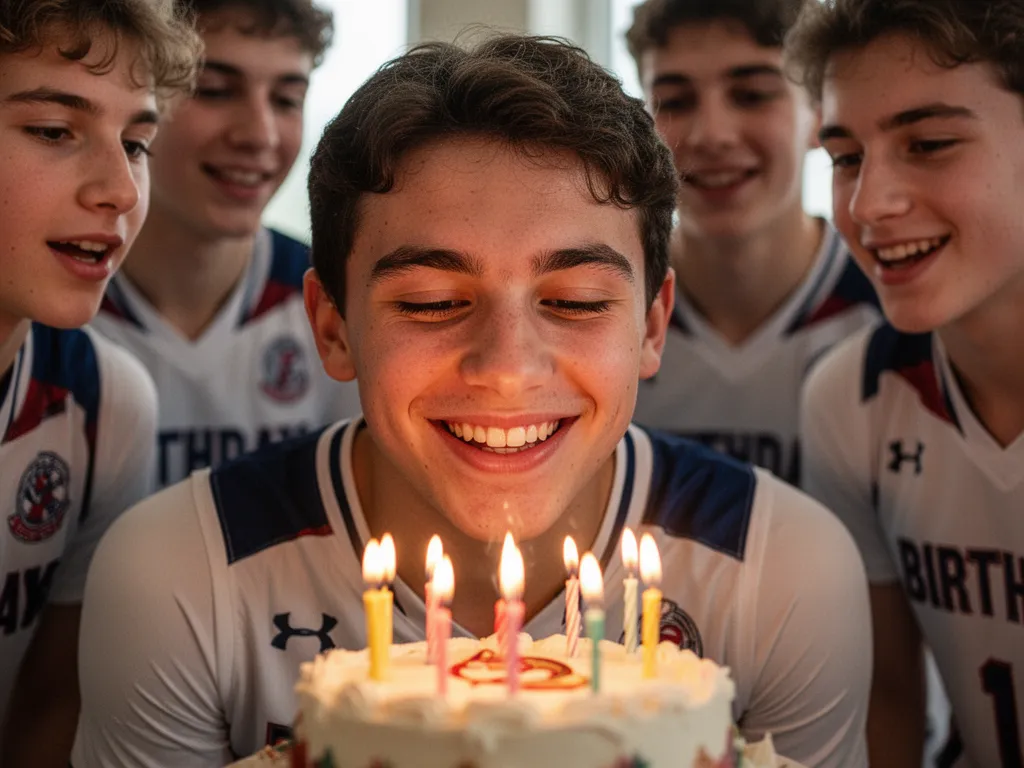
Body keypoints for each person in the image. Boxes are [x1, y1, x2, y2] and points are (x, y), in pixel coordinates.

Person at [71, 34, 870, 768]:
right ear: (333, 327)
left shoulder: (780, 570)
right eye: (428, 302)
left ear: (652, 325)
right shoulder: (183, 572)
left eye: (579, 300)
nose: (507, 369)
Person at [788, 0, 1024, 765]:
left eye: (928, 144)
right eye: (845, 157)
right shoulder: (851, 401)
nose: (868, 206)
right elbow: (889, 698)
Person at [0, 2, 200, 766]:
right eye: (54, 131)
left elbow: (49, 707)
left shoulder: (105, 402)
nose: (119, 189)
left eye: (137, 143)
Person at [90, 0, 361, 489]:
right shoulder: (48, 303)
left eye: (286, 100)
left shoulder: (340, 298)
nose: (259, 134)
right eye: (214, 91)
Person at [626, 0, 878, 487]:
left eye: (753, 94)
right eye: (674, 101)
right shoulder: (602, 307)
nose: (711, 134)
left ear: (821, 115)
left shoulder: (894, 308)